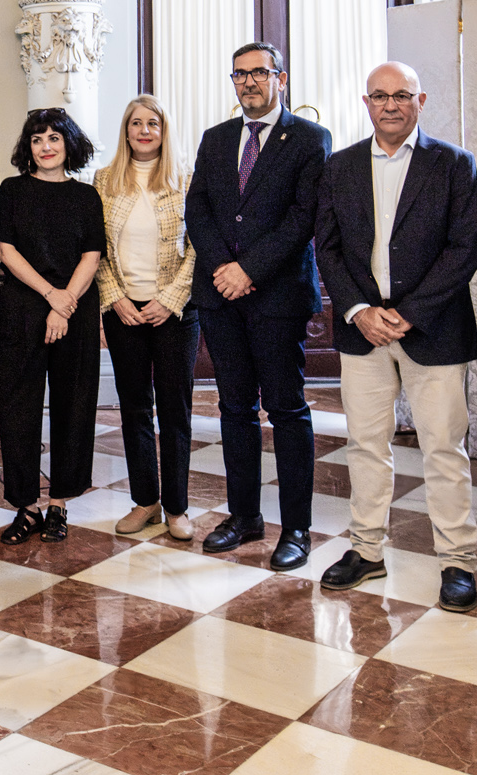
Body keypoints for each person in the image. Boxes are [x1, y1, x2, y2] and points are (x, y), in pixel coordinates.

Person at [314, 62, 477, 609]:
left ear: (421, 100)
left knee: (443, 449)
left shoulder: (454, 164)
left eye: (401, 95)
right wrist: (360, 309)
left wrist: (408, 313)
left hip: (432, 329)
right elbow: (329, 248)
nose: (390, 104)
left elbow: (465, 248)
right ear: (366, 103)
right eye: (380, 96)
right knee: (365, 445)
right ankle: (365, 550)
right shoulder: (339, 166)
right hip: (363, 331)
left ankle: (457, 561)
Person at [182, 42, 331, 571]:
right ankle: (244, 516)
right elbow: (196, 207)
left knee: (287, 410)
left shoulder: (310, 138)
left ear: (280, 78)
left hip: (278, 296)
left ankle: (296, 528)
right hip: (221, 298)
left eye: (258, 73)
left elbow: (303, 217)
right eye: (239, 75)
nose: (248, 83)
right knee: (233, 409)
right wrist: (225, 267)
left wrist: (250, 270)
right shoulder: (216, 139)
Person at [0, 107, 105, 545]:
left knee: (74, 406)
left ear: (68, 144)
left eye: (55, 138)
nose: (46, 146)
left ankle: (58, 505)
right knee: (19, 408)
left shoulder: (86, 197)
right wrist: (51, 297)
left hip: (72, 310)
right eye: (38, 139)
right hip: (23, 307)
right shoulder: (11, 191)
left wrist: (64, 304)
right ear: (28, 147)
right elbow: (7, 251)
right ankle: (26, 507)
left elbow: (91, 257)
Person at [95, 96, 197, 541]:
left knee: (175, 410)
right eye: (135, 123)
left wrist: (171, 298)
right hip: (124, 314)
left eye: (152, 123)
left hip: (174, 313)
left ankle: (176, 507)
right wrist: (115, 297)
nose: (144, 131)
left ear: (163, 129)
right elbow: (94, 248)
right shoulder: (105, 181)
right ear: (126, 130)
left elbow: (199, 248)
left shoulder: (186, 181)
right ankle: (145, 502)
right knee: (135, 408)